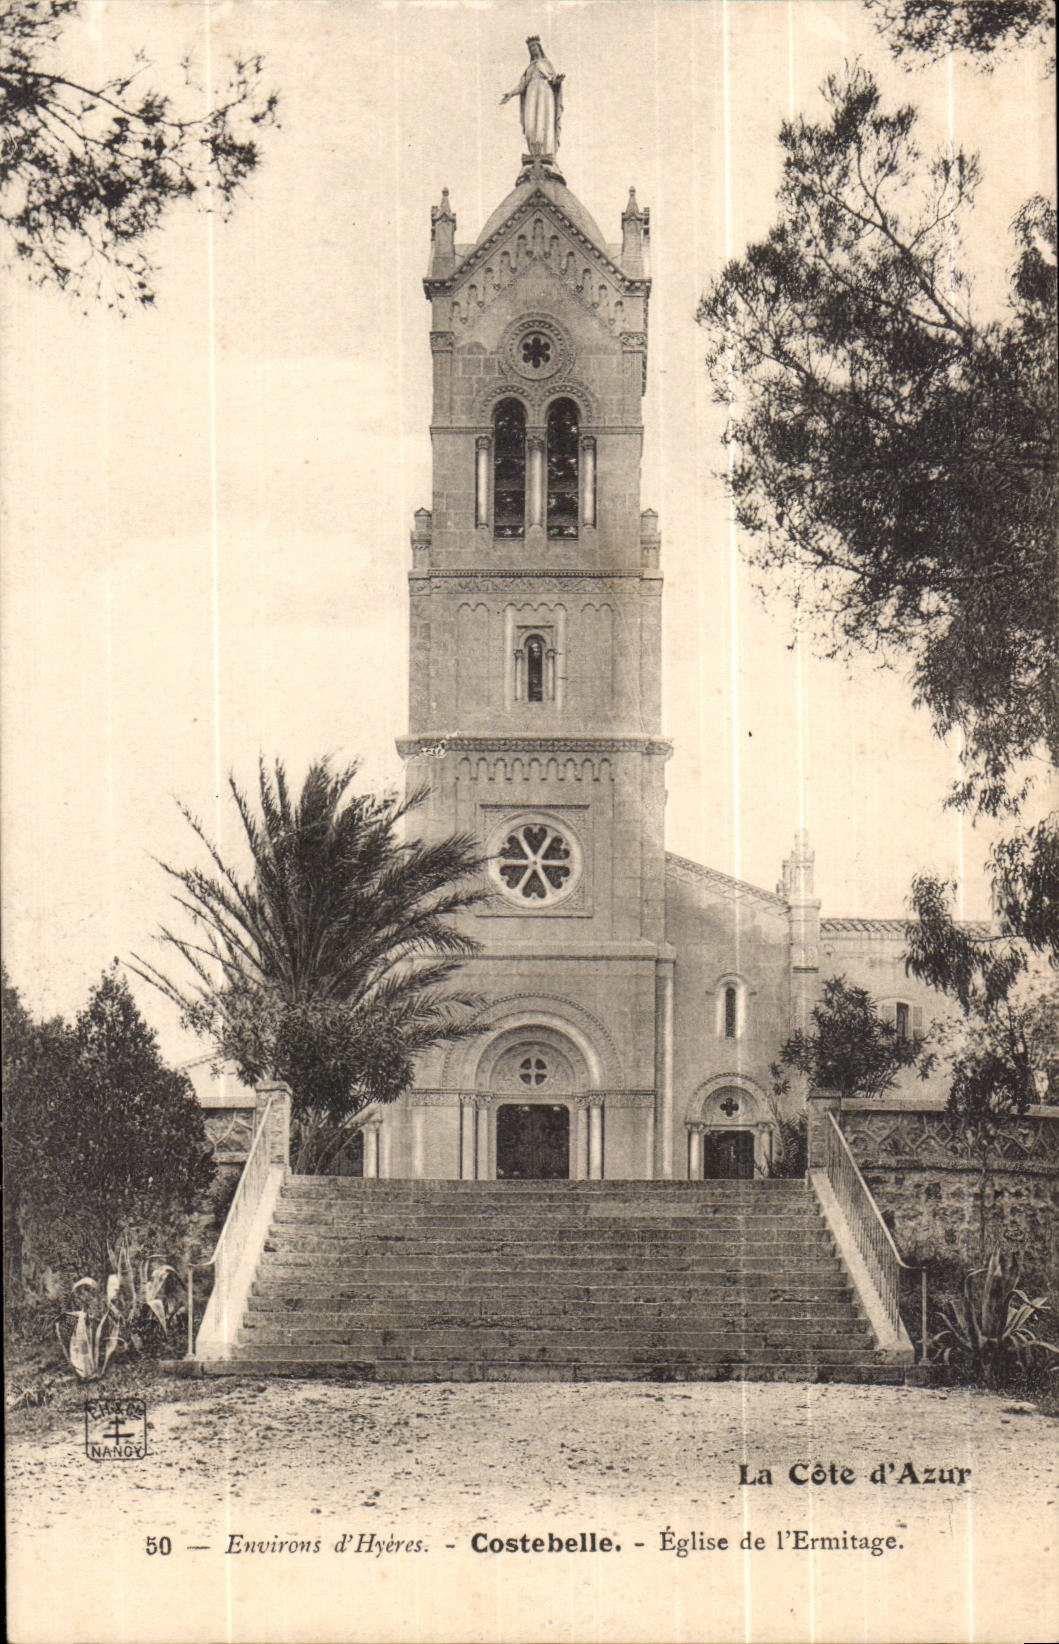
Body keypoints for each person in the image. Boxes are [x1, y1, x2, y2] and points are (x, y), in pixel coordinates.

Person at [500, 37, 564, 160]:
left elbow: (553, 80)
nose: (533, 49)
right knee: (531, 123)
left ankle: (546, 152)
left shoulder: (546, 64)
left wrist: (557, 81)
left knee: (544, 120)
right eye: (530, 48)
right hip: (531, 94)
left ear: (539, 48)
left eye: (534, 47)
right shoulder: (529, 68)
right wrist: (510, 94)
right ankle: (534, 152)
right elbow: (522, 85)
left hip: (545, 94)